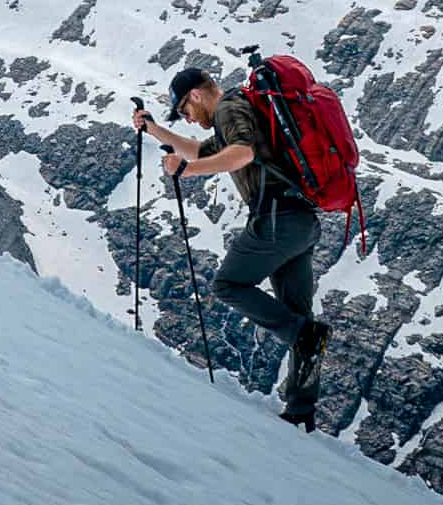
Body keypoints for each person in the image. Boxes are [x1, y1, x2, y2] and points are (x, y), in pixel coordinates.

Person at [134, 65, 330, 426]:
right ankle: (302, 410)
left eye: (184, 111)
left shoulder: (228, 109)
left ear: (195, 95)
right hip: (301, 222)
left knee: (228, 285)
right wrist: (154, 129)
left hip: (275, 218)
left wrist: (186, 172)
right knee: (298, 318)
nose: (188, 119)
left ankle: (303, 336)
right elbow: (195, 149)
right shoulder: (238, 111)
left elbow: (242, 154)